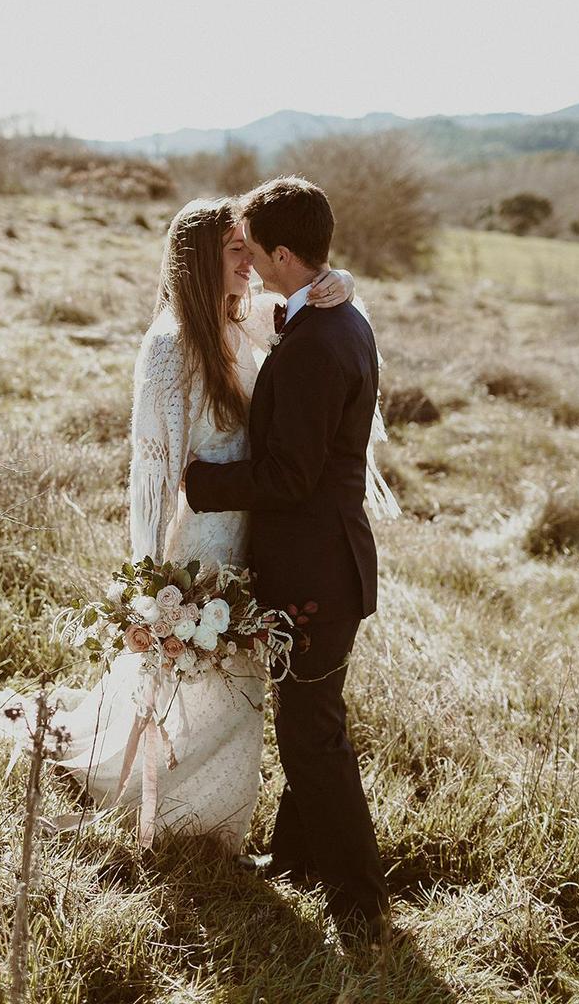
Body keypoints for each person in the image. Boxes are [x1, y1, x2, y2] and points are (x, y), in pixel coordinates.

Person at [0, 195, 355, 852]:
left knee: (238, 686)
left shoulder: (253, 323)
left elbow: (314, 310)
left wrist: (341, 281)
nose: (249, 263)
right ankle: (168, 813)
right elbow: (151, 482)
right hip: (199, 548)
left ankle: (220, 820)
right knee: (189, 680)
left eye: (251, 249)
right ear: (197, 262)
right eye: (234, 251)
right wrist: (149, 589)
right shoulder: (168, 349)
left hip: (258, 541)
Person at [184, 177, 399, 936]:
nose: (246, 259)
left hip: (316, 570)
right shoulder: (335, 314)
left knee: (312, 732)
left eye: (253, 248)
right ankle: (298, 859)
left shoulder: (319, 341)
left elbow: (287, 476)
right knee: (306, 718)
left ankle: (360, 901)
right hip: (327, 561)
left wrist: (199, 481)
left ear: (282, 253)